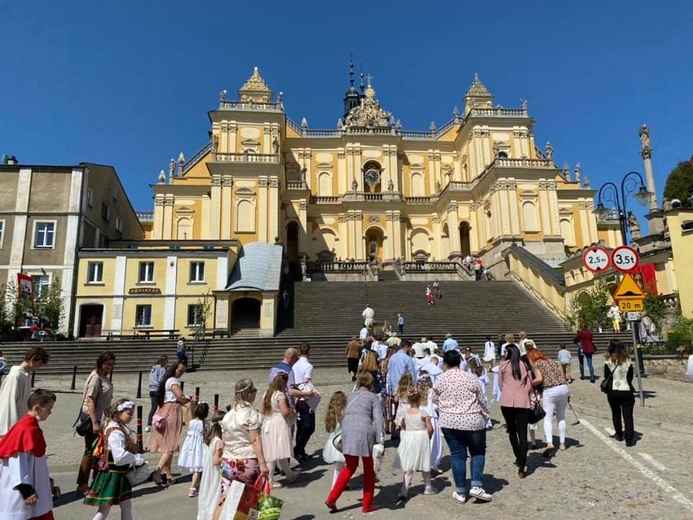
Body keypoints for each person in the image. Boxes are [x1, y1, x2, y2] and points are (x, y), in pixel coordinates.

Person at [433, 350, 492, 503]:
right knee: (477, 452)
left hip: (450, 421)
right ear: (460, 361)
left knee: (457, 456)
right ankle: (476, 485)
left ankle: (460, 492)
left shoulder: (441, 379)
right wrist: (486, 415)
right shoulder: (470, 377)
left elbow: (434, 398)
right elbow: (481, 399)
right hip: (472, 419)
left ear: (445, 363)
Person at [325, 372, 384, 514]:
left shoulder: (351, 396)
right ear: (371, 383)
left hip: (348, 431)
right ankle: (367, 504)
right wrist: (380, 439)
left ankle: (332, 497)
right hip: (364, 431)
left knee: (350, 466)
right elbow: (378, 419)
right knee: (369, 469)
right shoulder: (373, 397)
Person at [0, 389, 56, 520]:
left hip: (34, 486)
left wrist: (46, 480)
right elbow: (16, 461)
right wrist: (25, 488)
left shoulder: (32, 426)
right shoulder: (25, 429)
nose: (50, 412)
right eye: (48, 409)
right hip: (21, 492)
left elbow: (36, 459)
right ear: (37, 407)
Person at [84, 399, 145, 520]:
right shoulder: (116, 432)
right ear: (119, 413)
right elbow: (119, 457)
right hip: (113, 474)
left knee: (125, 505)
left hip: (118, 474)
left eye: (132, 414)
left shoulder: (117, 427)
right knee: (105, 508)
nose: (131, 417)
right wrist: (135, 458)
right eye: (128, 414)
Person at [216, 379, 268, 519]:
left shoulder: (228, 415)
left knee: (225, 498)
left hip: (228, 461)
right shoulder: (252, 414)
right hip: (247, 460)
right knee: (249, 500)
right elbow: (255, 439)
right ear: (249, 394)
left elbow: (224, 441)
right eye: (254, 391)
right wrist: (263, 463)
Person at [77, 351, 116, 495]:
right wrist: (94, 422)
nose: (110, 367)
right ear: (100, 363)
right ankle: (82, 484)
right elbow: (90, 400)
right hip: (93, 418)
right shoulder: (95, 378)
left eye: (112, 365)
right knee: (90, 451)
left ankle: (96, 481)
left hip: (103, 418)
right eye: (107, 364)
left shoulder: (103, 377)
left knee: (99, 451)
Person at [150, 361, 190, 485]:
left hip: (166, 409)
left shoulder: (168, 380)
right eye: (180, 370)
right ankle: (158, 472)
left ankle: (168, 474)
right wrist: (189, 399)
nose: (181, 373)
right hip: (172, 411)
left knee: (168, 443)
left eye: (183, 371)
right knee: (171, 445)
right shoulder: (173, 381)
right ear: (174, 369)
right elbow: (180, 396)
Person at [527, 347, 570, 456]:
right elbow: (561, 375)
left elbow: (539, 379)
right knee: (561, 416)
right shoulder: (551, 361)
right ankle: (562, 443)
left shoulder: (536, 364)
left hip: (550, 390)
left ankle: (550, 442)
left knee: (548, 418)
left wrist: (529, 383)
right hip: (563, 387)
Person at [393, 387, 435, 499]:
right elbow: (430, 428)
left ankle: (404, 488)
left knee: (409, 464)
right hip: (421, 436)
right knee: (424, 462)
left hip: (410, 437)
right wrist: (429, 436)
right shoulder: (423, 412)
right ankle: (428, 486)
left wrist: (408, 430)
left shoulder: (406, 413)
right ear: (420, 400)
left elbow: (402, 425)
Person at [499, 344, 533, 479]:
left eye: (505, 351)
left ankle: (518, 456)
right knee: (522, 433)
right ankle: (522, 464)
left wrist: (508, 391)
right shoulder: (524, 365)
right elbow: (529, 384)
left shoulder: (503, 366)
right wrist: (523, 391)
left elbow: (500, 385)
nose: (504, 353)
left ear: (509, 352)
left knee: (512, 431)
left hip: (507, 401)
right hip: (522, 401)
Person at [0, 346, 50, 438]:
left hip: (21, 422)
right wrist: (11, 430)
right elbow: (7, 404)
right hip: (13, 426)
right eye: (39, 364)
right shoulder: (15, 376)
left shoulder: (25, 375)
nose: (39, 367)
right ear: (33, 360)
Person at [261, 372, 300, 488]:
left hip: (268, 422)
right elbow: (284, 412)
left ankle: (289, 474)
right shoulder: (280, 395)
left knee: (277, 451)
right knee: (275, 452)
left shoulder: (266, 394)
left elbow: (263, 410)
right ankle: (270, 480)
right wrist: (292, 412)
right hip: (278, 424)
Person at [604, 341, 636, 446]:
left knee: (616, 414)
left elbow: (606, 376)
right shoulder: (628, 361)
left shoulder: (608, 361)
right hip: (626, 389)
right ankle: (629, 439)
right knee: (628, 416)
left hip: (613, 390)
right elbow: (630, 377)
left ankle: (619, 433)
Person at [293, 342, 317, 462]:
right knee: (309, 426)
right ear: (309, 352)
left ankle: (300, 451)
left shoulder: (295, 364)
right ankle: (298, 449)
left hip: (295, 397)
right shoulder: (308, 366)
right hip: (304, 398)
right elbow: (305, 382)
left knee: (300, 425)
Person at [179, 402, 209, 497]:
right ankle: (193, 487)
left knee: (197, 467)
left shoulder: (191, 422)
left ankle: (198, 484)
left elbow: (189, 432)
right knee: (198, 468)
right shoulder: (205, 424)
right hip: (200, 446)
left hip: (191, 446)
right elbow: (208, 435)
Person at [197, 412, 224, 520]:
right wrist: (225, 458)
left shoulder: (211, 439)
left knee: (208, 491)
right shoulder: (218, 441)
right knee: (215, 492)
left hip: (209, 471)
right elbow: (216, 460)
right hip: (215, 472)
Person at [417, 374, 443, 472]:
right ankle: (432, 463)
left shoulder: (418, 392)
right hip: (431, 417)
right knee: (433, 441)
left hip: (420, 417)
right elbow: (437, 404)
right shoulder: (432, 392)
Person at [322, 391, 347, 489]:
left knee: (341, 466)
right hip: (340, 442)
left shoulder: (331, 414)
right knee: (339, 467)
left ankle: (343, 482)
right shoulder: (342, 414)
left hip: (331, 442)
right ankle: (335, 487)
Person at [146, 355, 168, 432]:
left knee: (153, 408)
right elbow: (161, 379)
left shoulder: (153, 368)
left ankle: (148, 424)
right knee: (162, 407)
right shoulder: (162, 369)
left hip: (151, 389)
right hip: (158, 390)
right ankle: (161, 422)